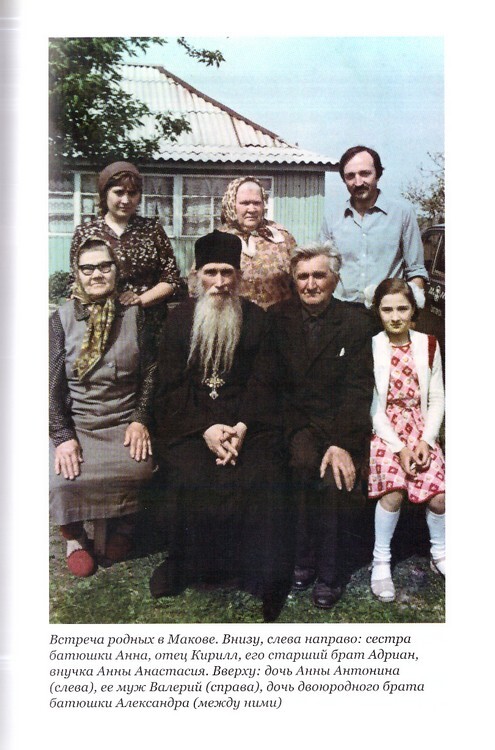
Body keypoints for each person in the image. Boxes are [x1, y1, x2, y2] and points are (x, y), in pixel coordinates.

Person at [150, 230, 293, 622]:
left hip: (249, 422)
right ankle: (185, 564)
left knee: (264, 473)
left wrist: (241, 427)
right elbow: (170, 386)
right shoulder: (179, 319)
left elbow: (266, 380)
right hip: (192, 423)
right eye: (211, 272)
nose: (219, 282)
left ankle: (263, 574)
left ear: (239, 275)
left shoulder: (257, 318)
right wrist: (206, 429)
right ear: (196, 275)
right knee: (188, 472)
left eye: (227, 272)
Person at [269, 242, 374, 608]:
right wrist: (302, 431)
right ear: (293, 281)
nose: (310, 284)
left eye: (319, 275)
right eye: (302, 277)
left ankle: (330, 574)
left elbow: (358, 389)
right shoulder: (277, 319)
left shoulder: (356, 322)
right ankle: (304, 558)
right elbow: (276, 386)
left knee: (334, 479)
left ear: (335, 279)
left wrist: (340, 442)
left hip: (341, 425)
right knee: (300, 463)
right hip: (297, 422)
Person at [50, 236, 156, 577]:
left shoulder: (135, 315)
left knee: (138, 469)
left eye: (104, 266)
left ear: (116, 270)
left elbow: (150, 372)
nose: (97, 274)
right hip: (78, 423)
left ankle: (125, 526)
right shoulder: (61, 318)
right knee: (63, 479)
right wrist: (63, 436)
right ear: (77, 274)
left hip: (123, 421)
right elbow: (49, 383)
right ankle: (74, 536)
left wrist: (140, 419)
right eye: (88, 268)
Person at [367, 278, 445, 602]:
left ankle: (441, 550)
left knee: (440, 497)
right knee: (394, 493)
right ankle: (381, 561)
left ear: (413, 310)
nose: (396, 316)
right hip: (385, 431)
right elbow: (373, 406)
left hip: (420, 429)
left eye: (402, 308)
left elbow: (437, 397)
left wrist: (427, 440)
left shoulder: (428, 344)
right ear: (378, 312)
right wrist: (399, 448)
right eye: (387, 310)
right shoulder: (373, 346)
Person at [69, 161, 182, 339]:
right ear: (105, 193)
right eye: (119, 192)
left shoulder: (152, 230)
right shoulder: (85, 233)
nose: (126, 200)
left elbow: (171, 279)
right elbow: (75, 283)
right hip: (100, 326)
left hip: (148, 326)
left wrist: (140, 300)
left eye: (132, 193)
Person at [320, 146, 428, 306]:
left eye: (365, 173)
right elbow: (324, 269)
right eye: (350, 176)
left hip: (386, 311)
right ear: (343, 179)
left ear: (378, 174)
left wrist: (411, 311)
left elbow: (416, 270)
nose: (358, 182)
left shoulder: (402, 213)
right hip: (342, 310)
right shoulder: (332, 217)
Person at [219, 176, 297, 309]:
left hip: (277, 318)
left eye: (257, 203)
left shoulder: (281, 237)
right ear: (232, 205)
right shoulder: (216, 241)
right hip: (233, 318)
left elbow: (298, 281)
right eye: (245, 203)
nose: (252, 209)